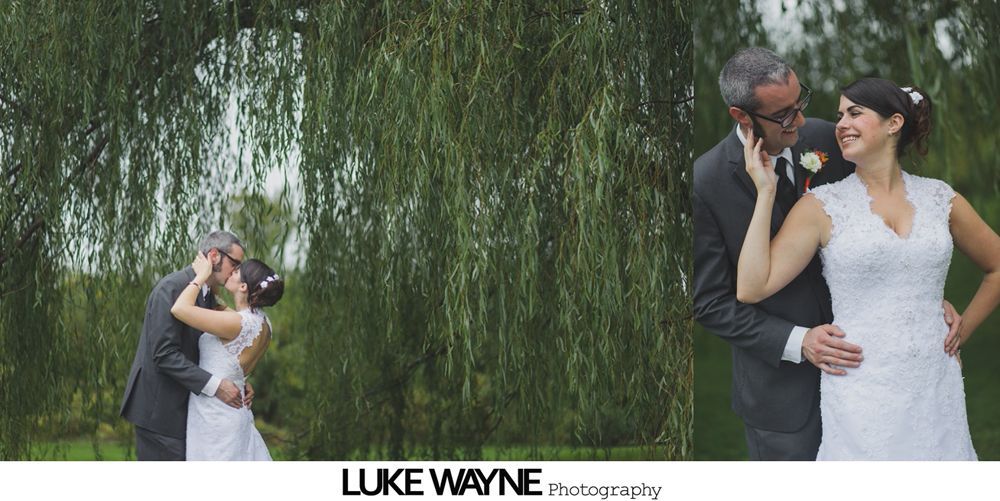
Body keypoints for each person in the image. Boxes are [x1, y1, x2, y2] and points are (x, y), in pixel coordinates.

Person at [692, 48, 962, 460]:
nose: (799, 121)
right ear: (742, 117)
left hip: (874, 380)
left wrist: (914, 289)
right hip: (782, 398)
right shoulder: (705, 182)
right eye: (784, 114)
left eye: (801, 102)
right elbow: (710, 303)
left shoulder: (829, 139)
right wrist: (799, 342)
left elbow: (877, 215)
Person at [737, 76, 1000, 459]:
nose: (841, 124)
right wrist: (765, 193)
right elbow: (751, 286)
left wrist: (963, 330)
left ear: (895, 123)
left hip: (934, 384)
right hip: (860, 386)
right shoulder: (821, 206)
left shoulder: (941, 198)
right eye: (840, 114)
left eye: (855, 113)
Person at [120, 230, 250, 460]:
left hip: (188, 412)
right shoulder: (171, 287)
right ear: (214, 256)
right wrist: (218, 386)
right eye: (235, 263)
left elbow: (208, 351)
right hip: (160, 414)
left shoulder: (209, 296)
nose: (238, 272)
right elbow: (164, 354)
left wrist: (240, 381)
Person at [171, 252, 284, 460]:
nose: (232, 271)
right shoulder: (263, 324)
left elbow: (180, 309)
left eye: (237, 271)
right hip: (233, 409)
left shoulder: (237, 323)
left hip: (215, 416)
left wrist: (201, 276)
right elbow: (234, 360)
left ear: (243, 287)